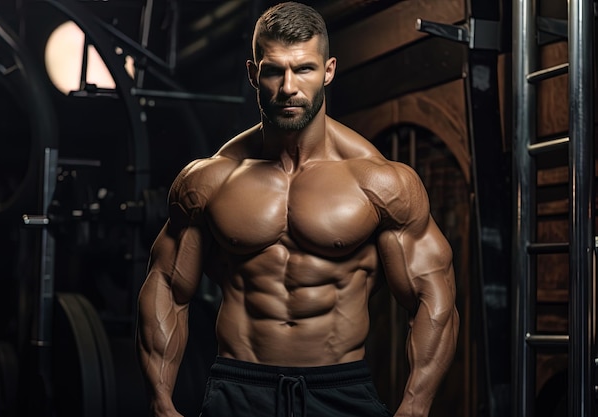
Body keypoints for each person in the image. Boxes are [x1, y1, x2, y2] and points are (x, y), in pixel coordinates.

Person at [136, 2, 459, 417]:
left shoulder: (379, 182)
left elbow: (432, 296)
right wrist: (161, 401)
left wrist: (415, 406)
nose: (289, 86)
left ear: (328, 70)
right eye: (274, 71)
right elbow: (166, 285)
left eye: (304, 68)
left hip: (339, 391)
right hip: (240, 387)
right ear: (254, 74)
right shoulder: (210, 181)